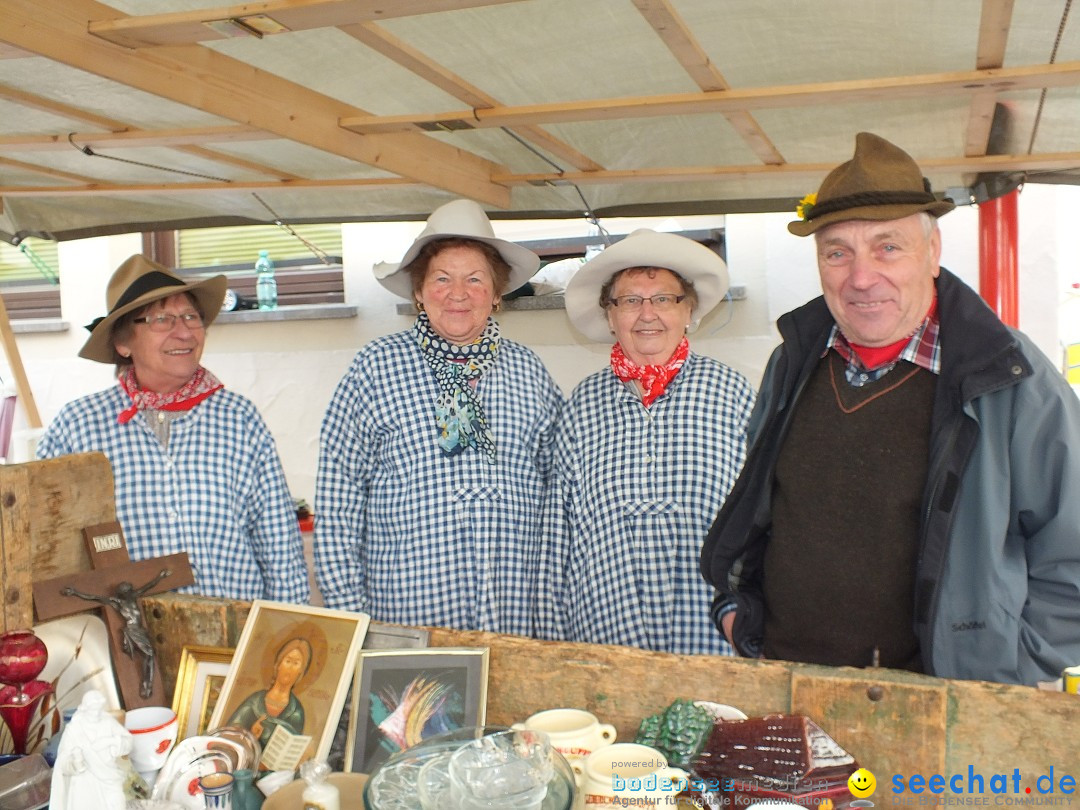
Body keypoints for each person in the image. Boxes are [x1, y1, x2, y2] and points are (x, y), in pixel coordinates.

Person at [701, 132, 1080, 685]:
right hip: (788, 680)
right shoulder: (793, 361)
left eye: (888, 247)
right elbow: (762, 506)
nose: (860, 277)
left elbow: (1072, 555)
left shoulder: (1007, 377)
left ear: (933, 253)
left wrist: (1002, 669)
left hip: (935, 704)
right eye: (838, 253)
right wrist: (737, 611)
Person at [315, 199, 563, 633]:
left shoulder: (529, 370)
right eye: (442, 279)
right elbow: (339, 500)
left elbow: (558, 490)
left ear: (497, 292)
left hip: (515, 609)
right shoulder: (374, 368)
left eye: (475, 279)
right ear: (418, 290)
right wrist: (352, 620)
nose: (458, 293)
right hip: (407, 613)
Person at [37, 255, 309, 603]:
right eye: (162, 319)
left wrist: (286, 634)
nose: (184, 332)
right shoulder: (78, 427)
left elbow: (279, 546)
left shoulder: (239, 419)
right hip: (125, 644)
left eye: (191, 317)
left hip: (229, 640)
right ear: (123, 343)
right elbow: (48, 548)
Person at [535, 229, 755, 654]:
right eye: (631, 300)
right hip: (603, 624)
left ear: (688, 310)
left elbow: (765, 514)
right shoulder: (583, 403)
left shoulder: (733, 392)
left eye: (664, 299)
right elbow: (555, 531)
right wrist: (550, 643)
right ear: (610, 315)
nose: (647, 313)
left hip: (712, 627)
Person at [61, 568, 172, 698]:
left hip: (140, 629)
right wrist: (75, 593)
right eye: (126, 589)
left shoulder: (134, 596)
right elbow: (94, 598)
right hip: (132, 631)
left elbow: (148, 586)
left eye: (129, 588)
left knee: (150, 655)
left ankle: (147, 685)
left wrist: (161, 576)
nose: (129, 591)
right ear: (121, 592)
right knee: (149, 654)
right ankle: (146, 685)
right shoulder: (117, 602)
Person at [50, 690, 132, 810]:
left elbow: (127, 741)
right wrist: (75, 763)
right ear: (84, 709)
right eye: (93, 709)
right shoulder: (75, 729)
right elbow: (62, 762)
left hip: (109, 776)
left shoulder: (108, 722)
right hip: (84, 783)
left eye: (98, 709)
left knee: (117, 801)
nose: (96, 713)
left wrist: (113, 742)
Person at [229, 637, 311, 751]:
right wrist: (250, 736)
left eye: (296, 663)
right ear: (278, 665)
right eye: (288, 661)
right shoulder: (255, 701)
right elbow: (230, 733)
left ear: (300, 672)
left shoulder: (296, 712)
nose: (290, 668)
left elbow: (292, 751)